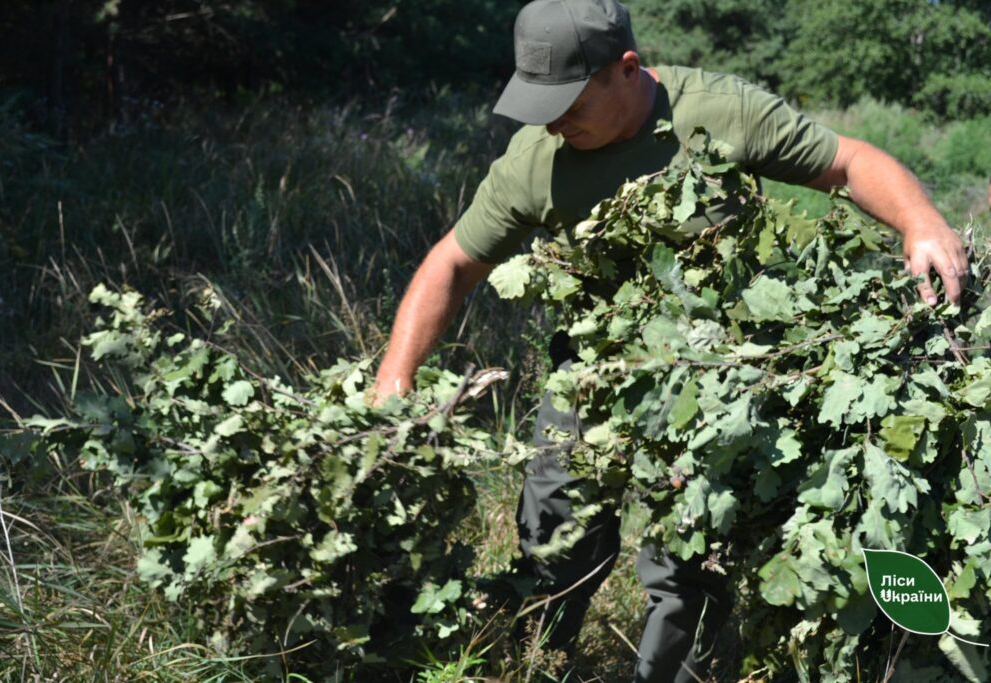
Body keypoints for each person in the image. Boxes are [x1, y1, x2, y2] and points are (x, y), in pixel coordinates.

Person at [371, 0, 969, 680]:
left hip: (715, 378)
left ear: (627, 69)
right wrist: (395, 378)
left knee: (683, 567)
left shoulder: (718, 112)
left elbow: (847, 161)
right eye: (540, 105)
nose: (553, 122)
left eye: (568, 103)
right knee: (556, 544)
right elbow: (452, 263)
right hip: (592, 373)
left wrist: (920, 220)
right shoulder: (535, 162)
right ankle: (538, 661)